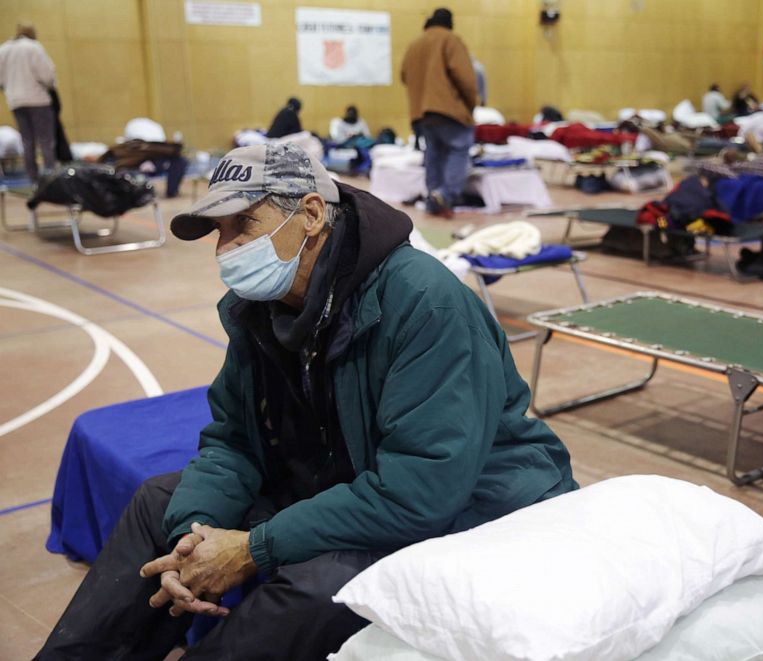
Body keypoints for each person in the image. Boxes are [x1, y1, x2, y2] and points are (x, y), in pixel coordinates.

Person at [37, 141, 577, 659]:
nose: (226, 250)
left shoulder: (425, 302)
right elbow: (233, 441)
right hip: (346, 476)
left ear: (313, 214)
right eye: (218, 233)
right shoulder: (261, 306)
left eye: (241, 225)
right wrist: (192, 539)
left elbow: (421, 488)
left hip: (469, 503)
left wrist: (253, 548)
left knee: (324, 587)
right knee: (163, 502)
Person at [401, 8, 477, 218]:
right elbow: (465, 78)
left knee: (434, 154)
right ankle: (446, 193)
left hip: (422, 112)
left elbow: (404, 75)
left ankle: (433, 198)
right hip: (449, 109)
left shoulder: (415, 44)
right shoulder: (450, 40)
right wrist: (470, 106)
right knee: (458, 150)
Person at [0, 23, 56, 181]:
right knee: (46, 141)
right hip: (38, 100)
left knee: (27, 142)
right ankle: (50, 181)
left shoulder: (3, 50)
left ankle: (33, 181)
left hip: (15, 101)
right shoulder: (33, 47)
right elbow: (47, 76)